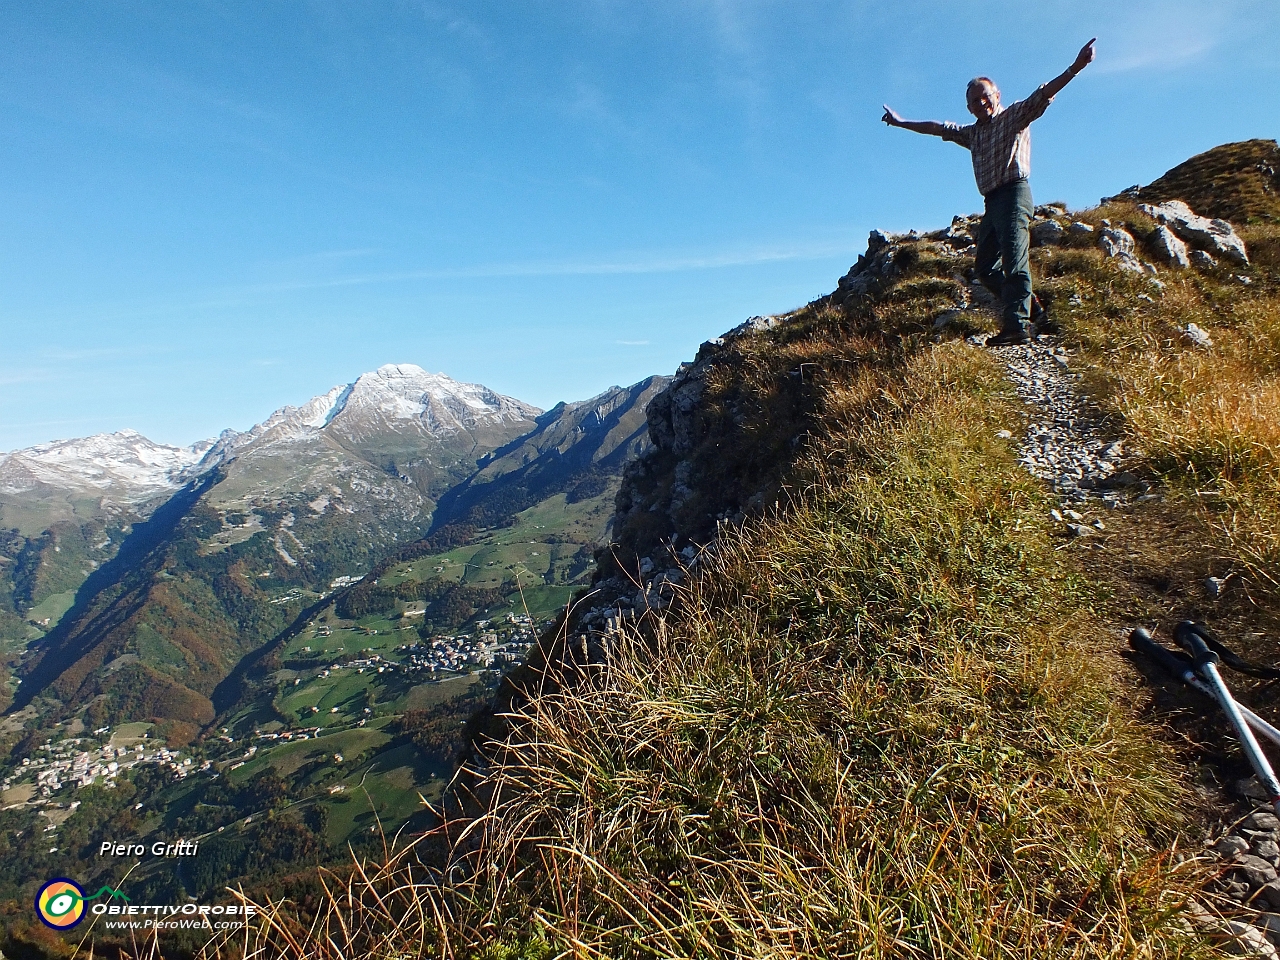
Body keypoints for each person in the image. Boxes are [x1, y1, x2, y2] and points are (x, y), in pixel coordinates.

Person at [881, 39, 1096, 346]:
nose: (980, 104)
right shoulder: (973, 133)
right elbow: (936, 127)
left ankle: (1016, 325)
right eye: (973, 102)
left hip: (1014, 194)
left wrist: (1076, 67)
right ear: (968, 107)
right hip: (992, 202)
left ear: (996, 95)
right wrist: (901, 123)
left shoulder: (1015, 116)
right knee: (984, 269)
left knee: (1014, 259)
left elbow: (1045, 93)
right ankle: (1030, 307)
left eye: (984, 97)